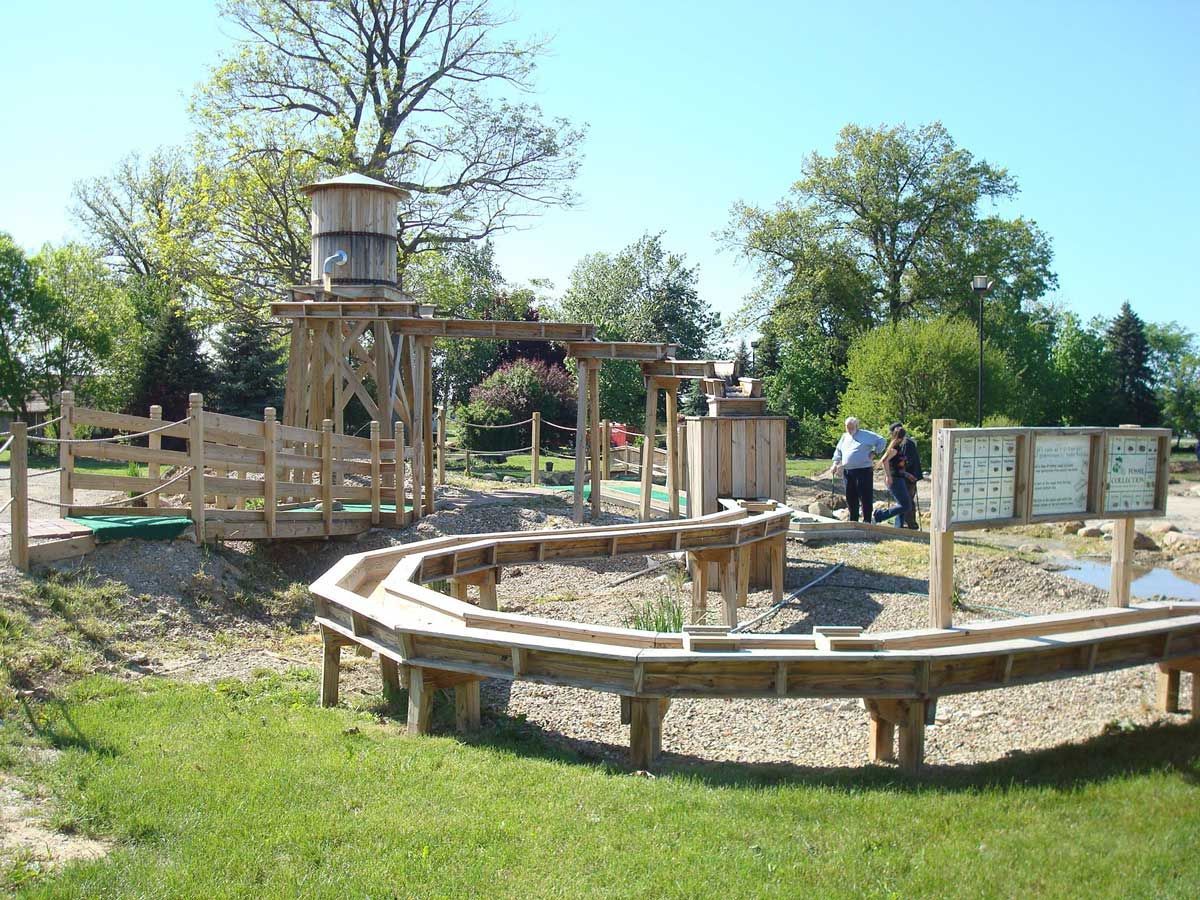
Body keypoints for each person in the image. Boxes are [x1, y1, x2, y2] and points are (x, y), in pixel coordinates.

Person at [831, 417, 886, 523]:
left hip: (864, 470)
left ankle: (867, 521)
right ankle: (853, 520)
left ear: (857, 426)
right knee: (851, 496)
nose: (849, 429)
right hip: (848, 471)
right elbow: (838, 451)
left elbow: (882, 441)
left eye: (851, 427)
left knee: (865, 496)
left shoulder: (866, 435)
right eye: (847, 427)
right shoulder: (844, 436)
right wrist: (834, 464)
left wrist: (875, 452)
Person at [874, 427, 914, 527]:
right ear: (902, 438)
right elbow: (885, 461)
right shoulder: (894, 449)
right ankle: (880, 515)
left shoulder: (898, 448)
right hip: (895, 479)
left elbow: (897, 465)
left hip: (899, 477)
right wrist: (888, 476)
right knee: (906, 505)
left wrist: (907, 474)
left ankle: (898, 526)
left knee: (902, 504)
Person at [888, 421, 923, 528]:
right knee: (906, 501)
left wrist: (903, 473)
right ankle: (904, 524)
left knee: (906, 502)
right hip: (907, 475)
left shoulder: (906, 443)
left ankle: (910, 524)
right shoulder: (906, 442)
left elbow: (908, 461)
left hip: (908, 477)